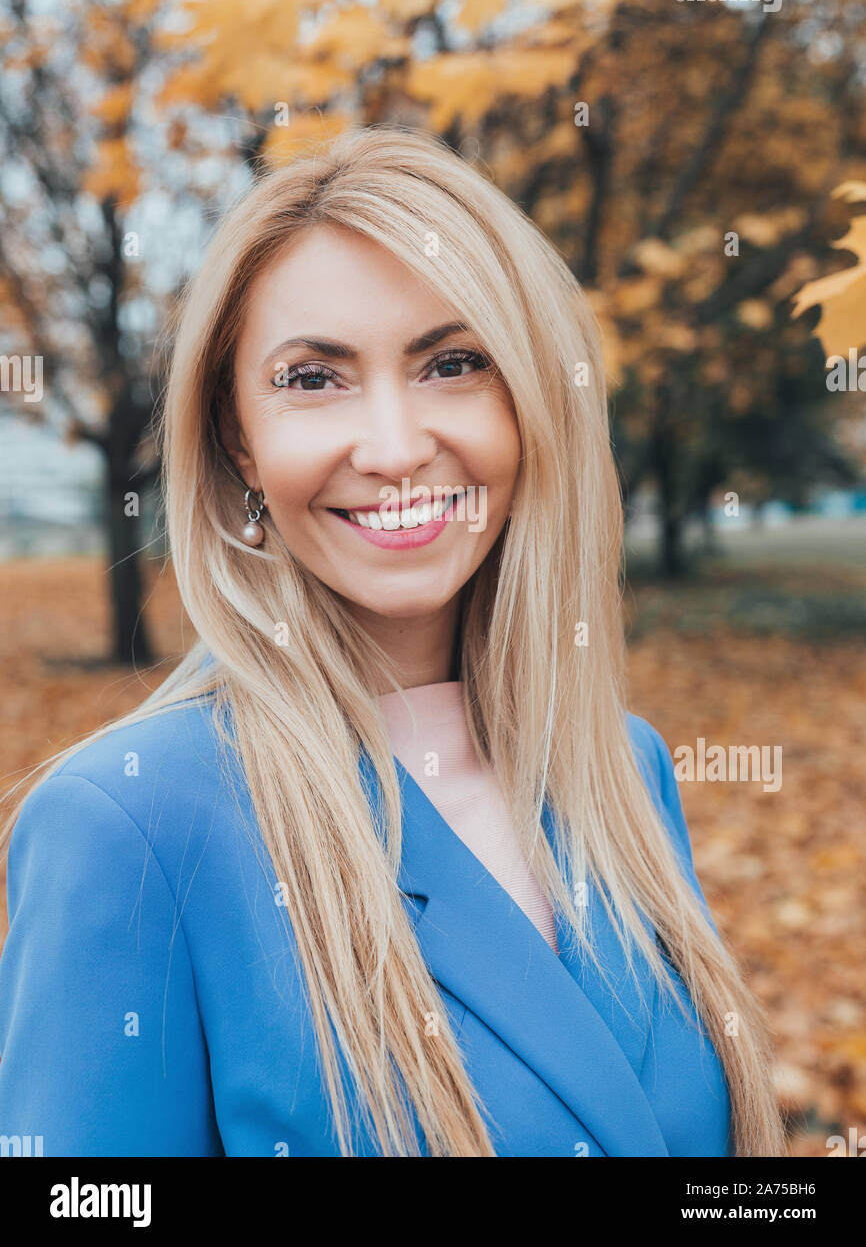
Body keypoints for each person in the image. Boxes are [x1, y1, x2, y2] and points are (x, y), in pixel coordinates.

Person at [0, 124, 785, 1157]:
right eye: (313, 379)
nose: (395, 446)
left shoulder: (619, 765)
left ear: (529, 399)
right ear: (238, 439)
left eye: (452, 363)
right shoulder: (131, 825)